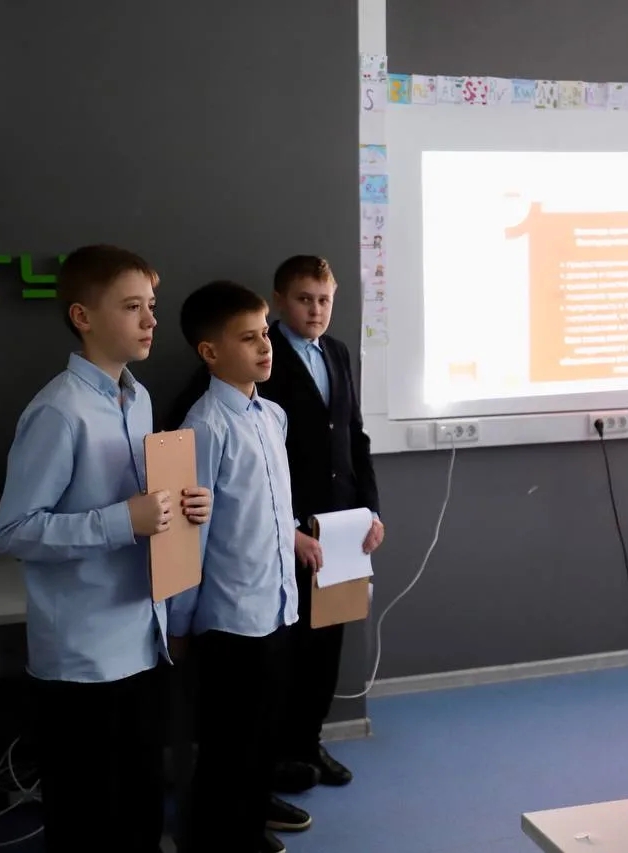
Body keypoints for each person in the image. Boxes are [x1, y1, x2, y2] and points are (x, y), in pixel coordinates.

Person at [0, 245, 212, 853]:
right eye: (132, 307)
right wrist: (123, 521)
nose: (150, 320)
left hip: (142, 636)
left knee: (141, 804)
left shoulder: (138, 399)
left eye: (152, 306)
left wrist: (184, 506)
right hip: (84, 656)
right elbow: (13, 530)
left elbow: (143, 505)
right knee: (89, 818)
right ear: (83, 316)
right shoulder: (59, 411)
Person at [167, 280, 300, 853]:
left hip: (276, 605)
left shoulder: (272, 416)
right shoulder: (203, 426)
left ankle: (246, 829)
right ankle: (212, 839)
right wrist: (180, 620)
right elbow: (188, 535)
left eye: (265, 333)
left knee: (263, 735)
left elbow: (271, 512)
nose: (265, 345)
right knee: (227, 746)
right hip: (229, 618)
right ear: (210, 352)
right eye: (248, 338)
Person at [259, 255, 383, 794]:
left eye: (324, 300)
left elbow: (354, 436)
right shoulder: (260, 350)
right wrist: (285, 526)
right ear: (280, 301)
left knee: (326, 645)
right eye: (304, 299)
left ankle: (309, 743)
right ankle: (275, 757)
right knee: (283, 649)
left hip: (340, 527)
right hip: (282, 527)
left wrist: (370, 509)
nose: (315, 310)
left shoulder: (337, 352)